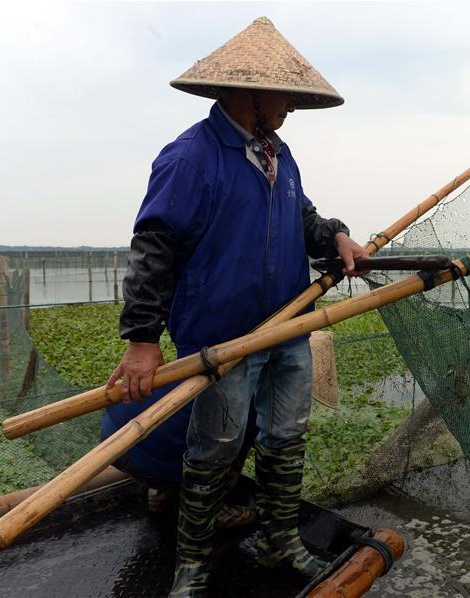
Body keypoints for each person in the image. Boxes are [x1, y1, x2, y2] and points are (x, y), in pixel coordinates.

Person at [104, 17, 368, 597]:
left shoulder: (280, 155)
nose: (292, 107)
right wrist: (142, 340)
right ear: (247, 92)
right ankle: (192, 565)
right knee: (214, 448)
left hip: (287, 330)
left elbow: (301, 220)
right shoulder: (192, 158)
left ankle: (279, 539)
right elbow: (155, 248)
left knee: (285, 436)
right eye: (286, 95)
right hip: (222, 338)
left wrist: (338, 237)